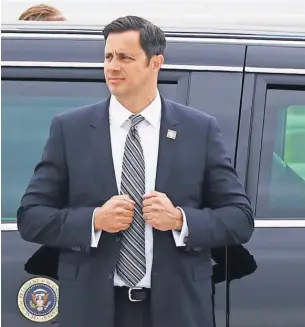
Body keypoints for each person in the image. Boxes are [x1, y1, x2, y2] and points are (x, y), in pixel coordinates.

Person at [17, 15, 254, 327]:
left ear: (155, 63)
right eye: (108, 57)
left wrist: (181, 220)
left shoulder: (200, 130)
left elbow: (240, 219)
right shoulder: (70, 130)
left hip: (177, 309)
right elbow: (31, 217)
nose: (112, 67)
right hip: (93, 310)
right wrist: (94, 220)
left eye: (125, 58)